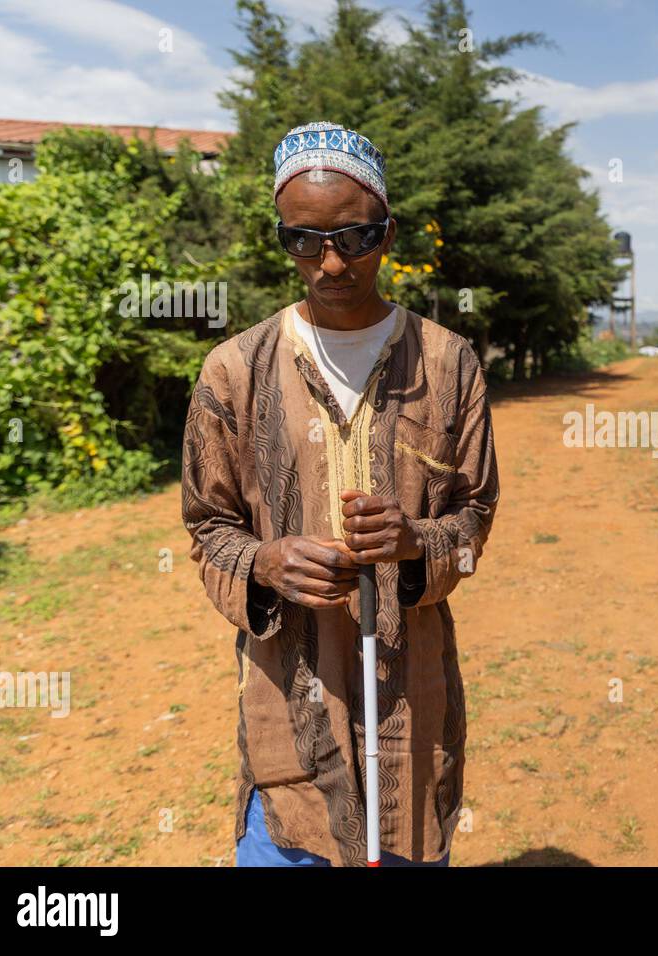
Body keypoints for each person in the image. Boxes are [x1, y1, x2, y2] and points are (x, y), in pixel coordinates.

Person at [181, 122, 498, 866]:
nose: (329, 264)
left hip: (411, 700)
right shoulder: (233, 371)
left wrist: (421, 543)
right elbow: (207, 527)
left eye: (354, 238)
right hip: (288, 708)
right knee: (289, 836)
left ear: (387, 233)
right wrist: (264, 564)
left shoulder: (448, 366)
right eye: (303, 242)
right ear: (283, 240)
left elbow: (476, 517)